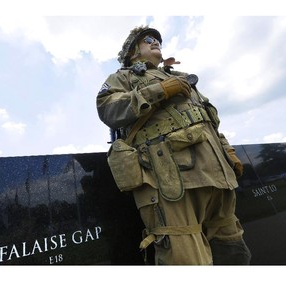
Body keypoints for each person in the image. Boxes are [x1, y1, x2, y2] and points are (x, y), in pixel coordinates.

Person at [96, 25, 251, 265]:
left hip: (218, 177)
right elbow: (107, 108)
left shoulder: (180, 76)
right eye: (147, 39)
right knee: (185, 259)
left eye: (157, 39)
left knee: (233, 252)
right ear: (132, 52)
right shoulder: (123, 77)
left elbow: (207, 120)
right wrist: (159, 90)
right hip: (172, 181)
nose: (155, 41)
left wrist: (227, 150)